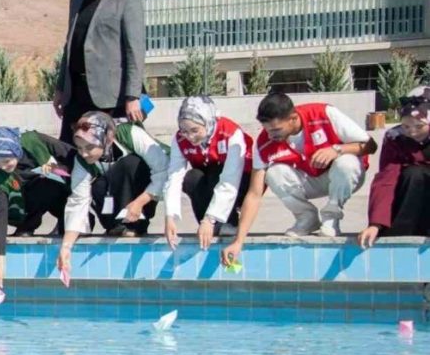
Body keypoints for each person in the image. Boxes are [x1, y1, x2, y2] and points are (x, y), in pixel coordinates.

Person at [219, 94, 376, 269]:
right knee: (273, 173)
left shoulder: (324, 114)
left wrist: (337, 150)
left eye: (276, 130)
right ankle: (306, 218)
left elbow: (370, 145)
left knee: (346, 163)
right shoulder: (263, 143)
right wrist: (239, 241)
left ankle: (331, 217)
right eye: (267, 129)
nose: (271, 135)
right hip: (308, 180)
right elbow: (254, 194)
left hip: (343, 176)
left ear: (293, 118)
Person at [52, 0, 145, 144]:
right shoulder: (76, 0)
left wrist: (132, 96)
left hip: (110, 97)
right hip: (76, 93)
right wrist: (60, 88)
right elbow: (69, 47)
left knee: (108, 150)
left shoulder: (127, 0)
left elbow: (134, 52)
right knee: (68, 149)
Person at [55, 112, 168, 274]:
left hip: (141, 191)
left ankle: (135, 226)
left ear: (106, 140)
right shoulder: (81, 160)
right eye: (80, 148)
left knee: (130, 164)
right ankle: (115, 225)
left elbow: (163, 170)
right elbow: (78, 201)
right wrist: (66, 247)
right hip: (111, 196)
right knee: (96, 184)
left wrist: (140, 202)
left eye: (89, 147)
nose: (84, 153)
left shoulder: (130, 134)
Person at [0, 127, 73, 294]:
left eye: (7, 161)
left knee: (48, 183)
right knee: (39, 186)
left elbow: (72, 155)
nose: (3, 167)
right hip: (21, 205)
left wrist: (57, 168)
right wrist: (0, 264)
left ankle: (68, 221)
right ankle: (27, 225)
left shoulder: (33, 141)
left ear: (16, 151)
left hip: (59, 194)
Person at [163, 96, 253, 250]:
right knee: (192, 178)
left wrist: (210, 218)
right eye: (184, 131)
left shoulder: (231, 134)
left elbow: (230, 179)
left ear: (209, 122)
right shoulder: (180, 139)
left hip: (241, 181)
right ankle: (209, 227)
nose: (190, 137)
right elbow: (174, 176)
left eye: (195, 130)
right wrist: (169, 216)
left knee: (216, 172)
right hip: (212, 179)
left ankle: (227, 222)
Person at [359, 89, 430, 247]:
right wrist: (375, 224)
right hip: (411, 190)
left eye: (419, 126)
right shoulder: (395, 137)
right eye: (406, 126)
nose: (412, 131)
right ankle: (402, 232)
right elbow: (386, 179)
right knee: (413, 174)